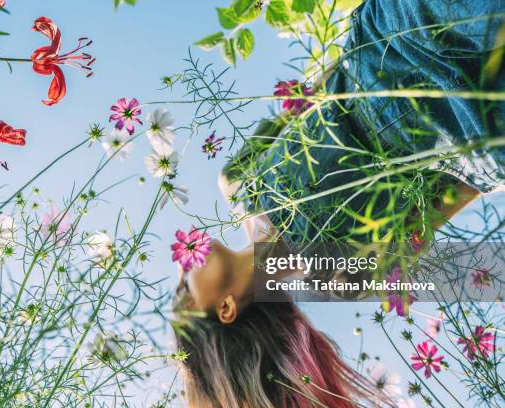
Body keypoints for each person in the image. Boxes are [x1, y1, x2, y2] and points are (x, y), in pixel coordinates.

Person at [172, 0, 503, 407]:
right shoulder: (340, 281)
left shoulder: (238, 182)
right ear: (225, 308)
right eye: (183, 290)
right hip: (469, 118)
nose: (180, 265)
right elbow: (446, 198)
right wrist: (492, 157)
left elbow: (315, 87)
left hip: (397, 35)